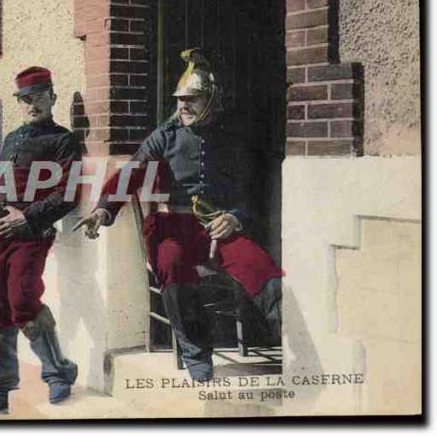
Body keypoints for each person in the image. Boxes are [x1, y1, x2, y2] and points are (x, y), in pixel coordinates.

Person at [73, 48, 284, 382]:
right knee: (172, 264)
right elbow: (133, 172)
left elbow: (251, 188)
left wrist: (236, 216)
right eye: (180, 98)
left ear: (212, 99)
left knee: (259, 266)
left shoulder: (231, 136)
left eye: (193, 99)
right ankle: (196, 352)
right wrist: (103, 208)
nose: (183, 105)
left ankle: (294, 341)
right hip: (171, 225)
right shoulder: (166, 134)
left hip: (218, 224)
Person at [0, 66, 81, 417]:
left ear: (52, 97)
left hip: (30, 234)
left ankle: (58, 372)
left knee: (22, 302)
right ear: (19, 103)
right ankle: (1, 390)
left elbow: (69, 193)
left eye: (39, 97)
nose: (32, 104)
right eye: (25, 99)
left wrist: (28, 216)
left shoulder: (64, 141)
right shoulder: (12, 138)